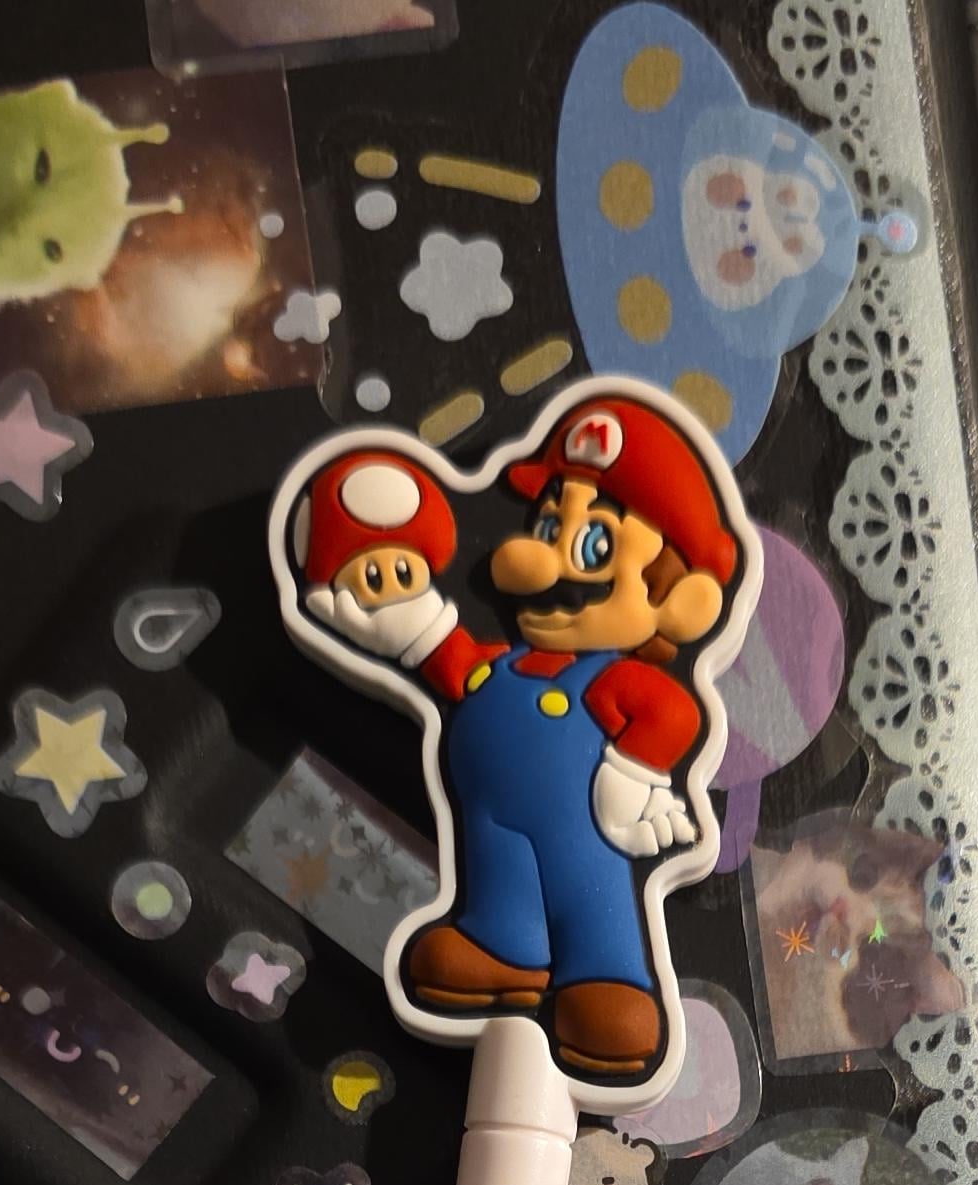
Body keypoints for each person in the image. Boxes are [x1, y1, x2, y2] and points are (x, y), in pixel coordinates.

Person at [288, 389, 745, 1080]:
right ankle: (502, 946)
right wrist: (395, 615)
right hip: (492, 832)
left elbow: (673, 716)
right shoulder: (502, 661)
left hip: (585, 838)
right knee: (501, 876)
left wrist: (630, 773)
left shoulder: (612, 680)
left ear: (676, 599)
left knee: (590, 894)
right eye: (548, 527)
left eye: (592, 545)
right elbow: (444, 657)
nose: (538, 563)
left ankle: (608, 979)